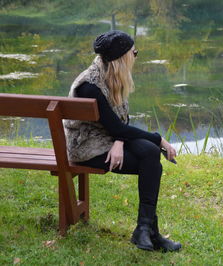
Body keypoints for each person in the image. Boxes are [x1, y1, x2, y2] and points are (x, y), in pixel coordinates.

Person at [63, 30, 181, 252]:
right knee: (151, 159)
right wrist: (160, 140)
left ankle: (145, 230)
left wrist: (119, 139)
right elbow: (117, 126)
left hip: (107, 136)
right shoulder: (91, 86)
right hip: (86, 147)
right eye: (133, 52)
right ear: (121, 58)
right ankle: (149, 232)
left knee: (148, 152)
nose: (135, 56)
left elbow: (117, 125)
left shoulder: (109, 74)